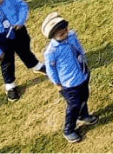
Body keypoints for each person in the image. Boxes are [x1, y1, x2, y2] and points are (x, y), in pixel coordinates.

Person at [42, 12, 97, 144]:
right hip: (69, 83)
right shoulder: (51, 51)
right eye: (61, 34)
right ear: (53, 36)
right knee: (73, 105)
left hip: (82, 74)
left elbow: (78, 47)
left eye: (65, 30)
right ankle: (69, 129)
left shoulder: (72, 35)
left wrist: (84, 57)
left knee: (84, 96)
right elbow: (51, 69)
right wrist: (57, 83)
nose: (65, 34)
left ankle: (83, 115)